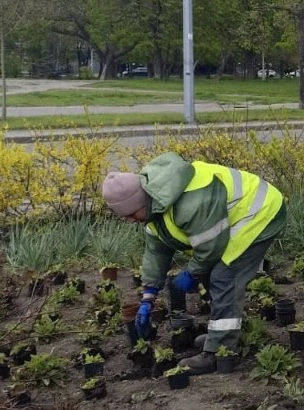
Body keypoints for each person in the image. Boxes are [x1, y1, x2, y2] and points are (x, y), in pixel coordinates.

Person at [101, 153, 287, 374]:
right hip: (231, 222)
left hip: (259, 213)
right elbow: (156, 252)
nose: (131, 220)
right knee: (212, 275)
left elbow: (211, 247)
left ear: (141, 202)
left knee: (224, 277)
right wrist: (148, 296)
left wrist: (193, 272)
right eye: (125, 217)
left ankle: (219, 353)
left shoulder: (192, 201)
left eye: (131, 214)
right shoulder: (154, 207)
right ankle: (223, 333)